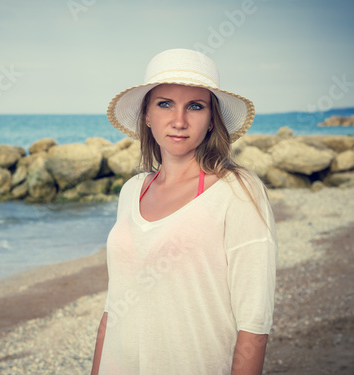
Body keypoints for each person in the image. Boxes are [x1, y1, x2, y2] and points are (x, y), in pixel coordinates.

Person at [91, 49, 278, 375]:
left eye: (195, 106)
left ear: (211, 120)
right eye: (165, 104)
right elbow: (113, 308)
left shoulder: (238, 191)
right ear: (147, 115)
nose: (179, 121)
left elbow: (254, 325)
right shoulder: (132, 191)